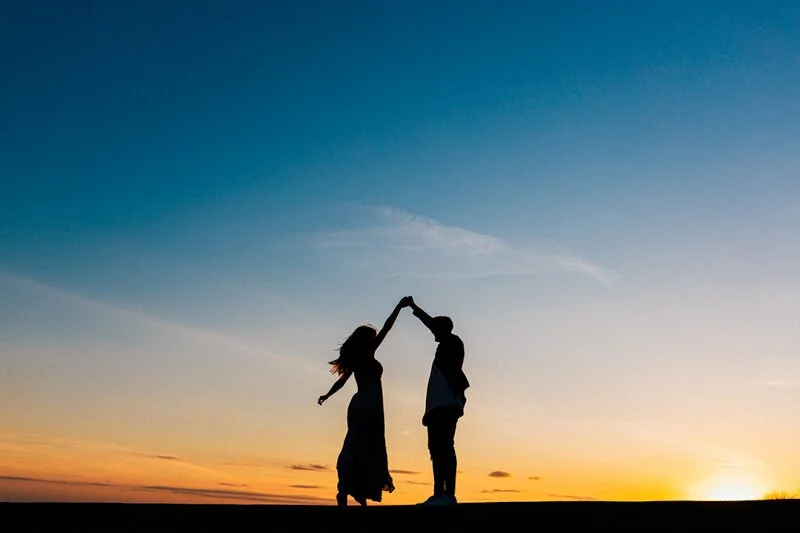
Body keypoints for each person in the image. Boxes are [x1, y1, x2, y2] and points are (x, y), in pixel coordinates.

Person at [317, 296, 412, 507]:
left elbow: (341, 382)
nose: (377, 337)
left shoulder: (357, 357)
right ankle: (354, 488)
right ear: (368, 340)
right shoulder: (367, 353)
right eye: (374, 336)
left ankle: (349, 489)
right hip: (370, 404)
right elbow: (387, 328)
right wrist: (399, 306)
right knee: (368, 446)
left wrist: (327, 395)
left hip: (361, 403)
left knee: (356, 444)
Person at [406, 296, 469, 506]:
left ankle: (447, 494)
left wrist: (460, 394)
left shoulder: (451, 342)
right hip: (438, 405)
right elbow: (432, 324)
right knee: (437, 448)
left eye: (436, 329)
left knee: (443, 447)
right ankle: (439, 493)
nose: (432, 331)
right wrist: (414, 307)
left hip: (445, 404)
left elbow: (432, 324)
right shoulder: (447, 343)